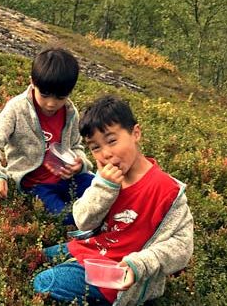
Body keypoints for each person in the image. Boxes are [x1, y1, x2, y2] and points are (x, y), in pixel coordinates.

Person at [33, 95, 194, 305]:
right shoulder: (104, 178)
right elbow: (83, 221)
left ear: (135, 133)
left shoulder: (167, 190)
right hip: (92, 249)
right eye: (95, 147)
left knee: (45, 282)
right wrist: (104, 187)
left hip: (118, 273)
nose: (105, 154)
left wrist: (140, 265)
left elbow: (182, 246)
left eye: (112, 141)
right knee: (35, 257)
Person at [0, 47, 95, 224]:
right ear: (33, 82)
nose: (51, 103)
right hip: (35, 185)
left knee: (103, 191)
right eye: (45, 94)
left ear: (70, 92)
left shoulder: (71, 112)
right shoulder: (16, 109)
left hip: (68, 178)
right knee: (67, 217)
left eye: (60, 97)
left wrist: (80, 165)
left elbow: (76, 146)